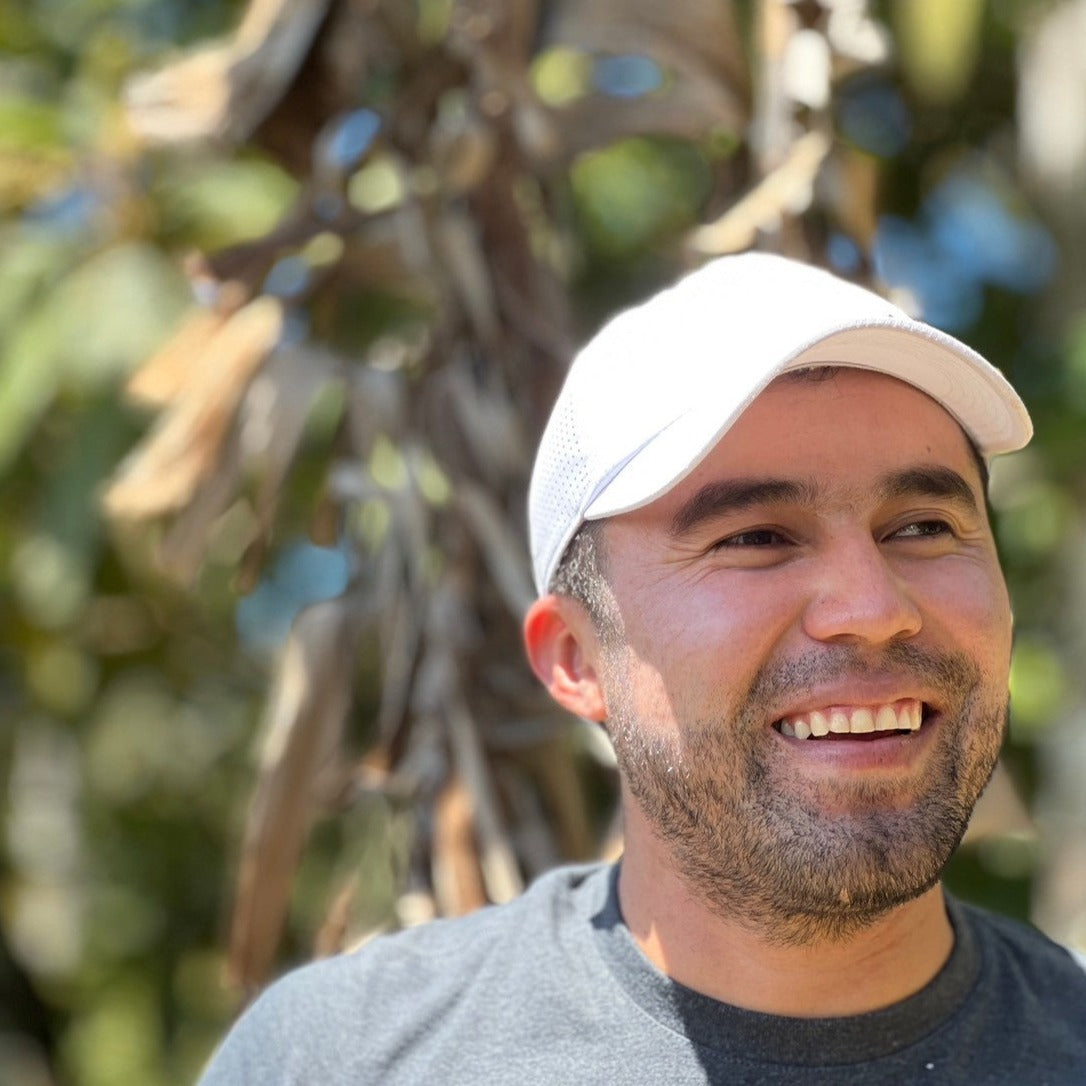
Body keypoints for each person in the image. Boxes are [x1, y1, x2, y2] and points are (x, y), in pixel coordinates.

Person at [198, 253, 1086, 1084]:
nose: (873, 607)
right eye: (756, 538)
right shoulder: (340, 1059)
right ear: (577, 660)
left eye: (924, 528)